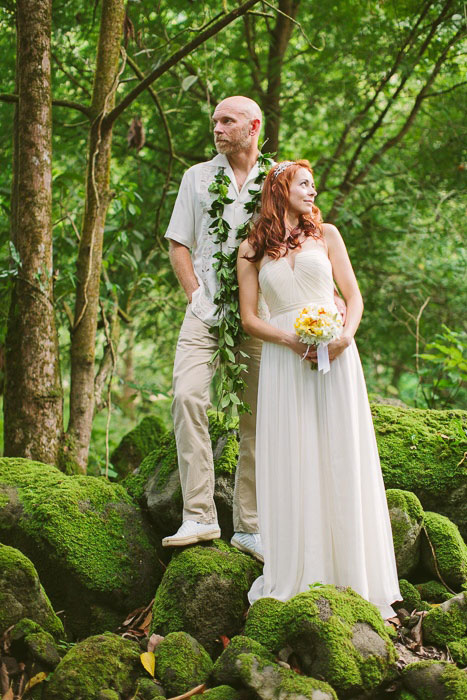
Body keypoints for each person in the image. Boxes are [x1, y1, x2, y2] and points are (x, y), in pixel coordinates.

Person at [237, 160, 401, 618]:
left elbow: (353, 297)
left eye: (313, 184)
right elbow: (251, 317)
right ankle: (298, 572)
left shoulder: (325, 234)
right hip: (283, 361)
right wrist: (290, 339)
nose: (313, 192)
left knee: (338, 451)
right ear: (280, 188)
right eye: (304, 184)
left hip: (335, 353)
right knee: (294, 454)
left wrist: (344, 336)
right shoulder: (252, 248)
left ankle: (355, 577)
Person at [161, 95, 266, 558]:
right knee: (187, 396)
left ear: (253, 126)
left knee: (258, 419)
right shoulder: (197, 177)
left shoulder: (277, 179)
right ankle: (199, 515)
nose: (217, 128)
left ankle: (250, 526)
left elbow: (301, 241)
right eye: (215, 121)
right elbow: (178, 243)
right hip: (205, 314)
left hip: (260, 316)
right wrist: (195, 294)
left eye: (228, 120)